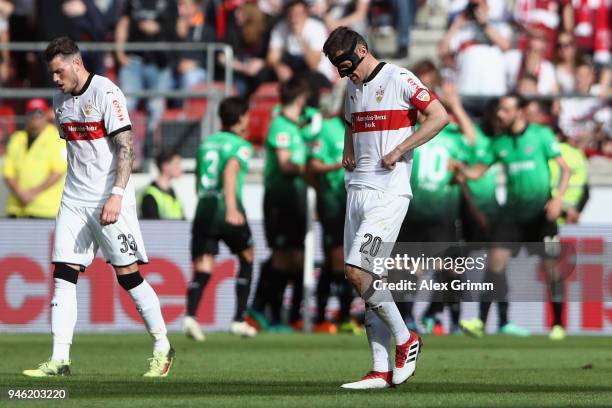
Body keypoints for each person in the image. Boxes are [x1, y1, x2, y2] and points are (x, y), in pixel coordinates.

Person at [23, 37, 174, 378]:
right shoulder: (58, 99)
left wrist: (117, 194)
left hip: (109, 197)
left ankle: (162, 344)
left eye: (59, 71)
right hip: (74, 199)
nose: (56, 79)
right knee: (63, 273)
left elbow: (126, 147)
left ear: (76, 64)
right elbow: (78, 152)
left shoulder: (106, 93)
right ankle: (60, 358)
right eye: (52, 74)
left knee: (128, 276)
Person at [323, 27, 448, 389]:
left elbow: (439, 116)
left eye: (350, 66)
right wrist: (348, 146)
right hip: (357, 190)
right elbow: (350, 120)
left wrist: (399, 150)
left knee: (356, 272)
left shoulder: (400, 78)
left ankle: (406, 339)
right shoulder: (352, 85)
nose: (348, 74)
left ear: (363, 49)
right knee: (365, 281)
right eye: (341, 70)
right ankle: (379, 369)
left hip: (387, 195)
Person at [457, 94, 570, 339]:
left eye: (505, 110)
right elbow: (477, 172)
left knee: (552, 270)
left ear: (519, 112)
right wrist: (460, 170)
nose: (499, 115)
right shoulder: (500, 143)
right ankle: (480, 322)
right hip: (511, 216)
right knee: (495, 265)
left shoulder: (541, 135)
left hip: (542, 214)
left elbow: (565, 169)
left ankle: (558, 324)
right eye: (498, 110)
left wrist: (558, 199)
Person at [396, 81, 473, 336]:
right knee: (410, 268)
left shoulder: (452, 136)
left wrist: (456, 107)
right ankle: (407, 318)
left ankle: (450, 320)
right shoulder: (412, 132)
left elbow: (474, 143)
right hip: (414, 210)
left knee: (450, 268)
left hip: (443, 214)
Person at [184, 96, 257, 340]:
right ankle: (238, 320)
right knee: (247, 256)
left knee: (204, 265)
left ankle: (191, 317)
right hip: (225, 207)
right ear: (241, 117)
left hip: (204, 205)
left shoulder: (206, 143)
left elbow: (198, 177)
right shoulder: (240, 145)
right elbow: (230, 170)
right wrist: (231, 208)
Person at [250, 77, 311, 332]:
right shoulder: (281, 127)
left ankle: (280, 313)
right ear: (300, 99)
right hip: (279, 200)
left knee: (297, 259)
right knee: (282, 258)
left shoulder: (294, 127)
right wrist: (310, 171)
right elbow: (286, 165)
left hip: (295, 200)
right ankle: (264, 311)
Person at [308, 109, 359, 335]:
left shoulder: (366, 127)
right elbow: (314, 165)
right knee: (340, 259)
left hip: (356, 202)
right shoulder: (327, 129)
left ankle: (321, 316)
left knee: (333, 263)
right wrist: (339, 165)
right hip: (333, 202)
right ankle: (345, 316)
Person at [115, 0, 179, 158]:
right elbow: (123, 23)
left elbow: (179, 28)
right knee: (127, 104)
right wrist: (119, 53)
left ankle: (151, 149)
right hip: (133, 60)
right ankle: (129, 148)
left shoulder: (171, 3)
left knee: (156, 106)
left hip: (160, 62)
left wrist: (158, 28)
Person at [2, 98, 66, 219]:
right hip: (17, 208)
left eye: (39, 113)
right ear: (26, 115)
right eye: (32, 113)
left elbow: (58, 172)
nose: (35, 117)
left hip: (45, 209)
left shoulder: (57, 138)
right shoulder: (17, 138)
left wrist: (32, 193)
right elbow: (8, 172)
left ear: (45, 115)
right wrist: (20, 193)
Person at [139, 150, 184, 220]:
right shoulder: (150, 195)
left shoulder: (172, 192)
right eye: (176, 164)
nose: (180, 168)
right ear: (165, 166)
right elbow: (151, 225)